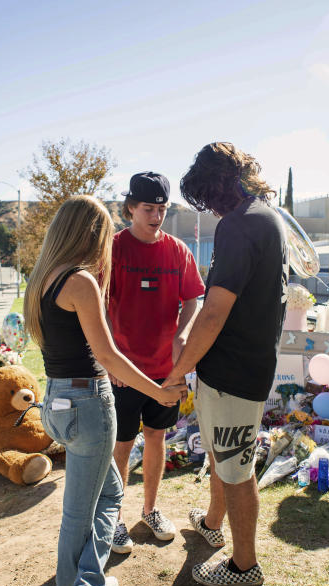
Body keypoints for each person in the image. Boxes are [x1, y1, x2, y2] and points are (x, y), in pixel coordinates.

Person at [24, 195, 185, 586]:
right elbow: (107, 355)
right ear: (90, 234)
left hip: (56, 402)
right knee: (83, 510)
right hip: (88, 404)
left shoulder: (41, 279)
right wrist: (159, 391)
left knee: (108, 496)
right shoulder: (81, 282)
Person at [162, 142, 288, 586]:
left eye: (209, 197)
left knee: (236, 469)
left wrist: (177, 372)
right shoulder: (264, 217)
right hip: (231, 368)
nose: (211, 209)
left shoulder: (241, 225)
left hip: (236, 371)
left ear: (219, 184)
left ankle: (244, 565)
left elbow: (215, 311)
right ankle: (213, 523)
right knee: (220, 454)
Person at [107, 171, 205, 555]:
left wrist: (182, 335)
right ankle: (113, 520)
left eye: (161, 209)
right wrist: (108, 357)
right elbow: (95, 303)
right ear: (131, 208)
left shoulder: (178, 251)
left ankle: (150, 509)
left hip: (166, 371)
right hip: (122, 370)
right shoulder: (113, 249)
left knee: (156, 438)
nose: (155, 216)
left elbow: (193, 299)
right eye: (148, 208)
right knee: (121, 445)